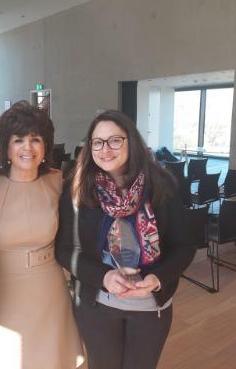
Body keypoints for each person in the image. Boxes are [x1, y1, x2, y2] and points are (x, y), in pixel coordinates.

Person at [56, 110, 195, 369]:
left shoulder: (162, 185)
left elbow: (184, 245)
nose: (105, 149)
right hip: (96, 305)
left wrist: (158, 278)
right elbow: (65, 250)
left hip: (150, 307)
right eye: (98, 142)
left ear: (131, 141)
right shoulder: (77, 189)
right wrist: (104, 277)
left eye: (115, 140)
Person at [0, 101, 85, 369]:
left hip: (49, 289)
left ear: (45, 146)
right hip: (2, 292)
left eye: (36, 139)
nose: (28, 147)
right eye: (19, 140)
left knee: (52, 357)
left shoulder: (58, 183)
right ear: (6, 147)